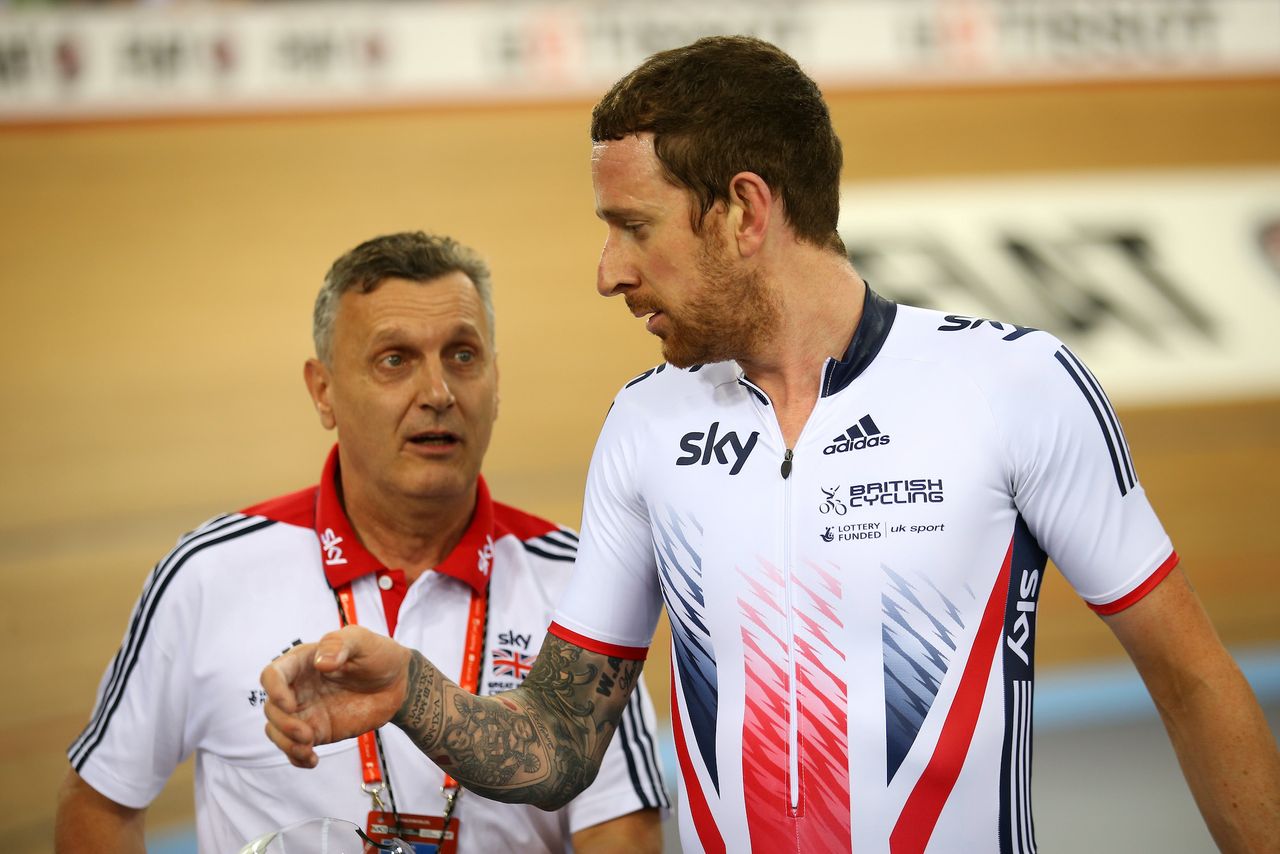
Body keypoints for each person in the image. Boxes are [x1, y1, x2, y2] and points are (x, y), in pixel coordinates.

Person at [260, 38, 1280, 854]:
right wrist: (413, 690)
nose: (607, 270)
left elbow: (1192, 679)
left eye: (632, 225)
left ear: (742, 211)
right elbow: (561, 742)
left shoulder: (1012, 388)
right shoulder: (646, 425)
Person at [55, 231, 668, 853]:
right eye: (394, 360)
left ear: (496, 379)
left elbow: (621, 827)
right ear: (323, 391)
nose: (438, 393)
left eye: (462, 355)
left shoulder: (578, 578)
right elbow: (100, 802)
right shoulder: (207, 574)